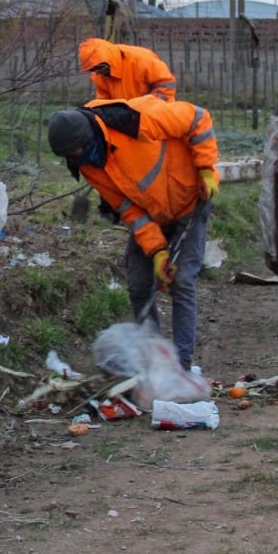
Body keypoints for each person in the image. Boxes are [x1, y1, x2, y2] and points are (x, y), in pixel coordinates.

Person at [46, 96, 219, 373]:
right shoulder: (88, 165)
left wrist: (206, 168)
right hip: (152, 214)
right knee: (139, 284)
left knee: (183, 280)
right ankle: (154, 358)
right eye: (70, 156)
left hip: (191, 199)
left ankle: (183, 364)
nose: (75, 158)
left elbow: (198, 118)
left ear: (87, 136)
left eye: (77, 152)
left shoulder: (136, 119)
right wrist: (157, 251)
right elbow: (129, 210)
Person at [78, 37, 177, 102]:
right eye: (93, 69)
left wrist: (150, 104)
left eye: (100, 67)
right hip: (128, 119)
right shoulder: (98, 77)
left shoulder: (141, 59)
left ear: (108, 60)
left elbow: (166, 84)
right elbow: (104, 101)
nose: (98, 72)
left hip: (157, 114)